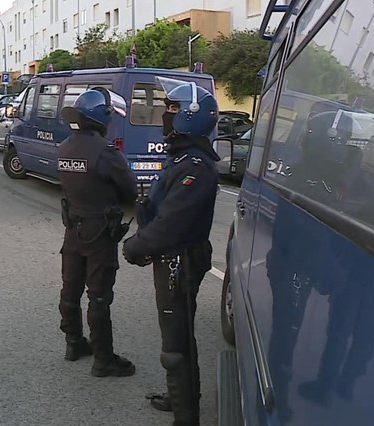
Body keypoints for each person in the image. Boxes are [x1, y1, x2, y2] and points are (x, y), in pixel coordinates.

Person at [122, 78, 220, 425]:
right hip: (171, 257)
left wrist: (136, 246)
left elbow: (173, 222)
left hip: (180, 259)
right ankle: (181, 399)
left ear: (191, 117)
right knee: (175, 337)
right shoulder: (183, 158)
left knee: (176, 345)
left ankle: (186, 416)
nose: (166, 114)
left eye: (173, 109)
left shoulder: (195, 166)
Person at [57, 87, 138, 377]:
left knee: (70, 288)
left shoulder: (64, 147)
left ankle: (73, 343)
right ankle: (103, 359)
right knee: (99, 296)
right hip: (99, 233)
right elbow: (130, 191)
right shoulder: (107, 153)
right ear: (102, 117)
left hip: (73, 229)